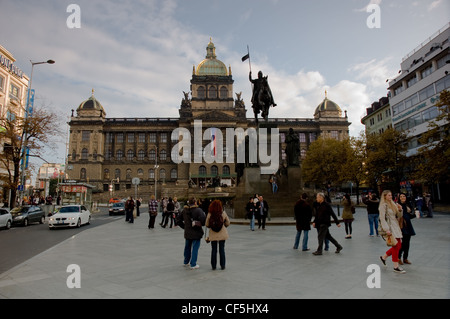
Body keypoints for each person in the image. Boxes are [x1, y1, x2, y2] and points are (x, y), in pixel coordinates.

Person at [378, 190, 405, 274]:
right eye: (389, 195)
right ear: (385, 196)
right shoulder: (383, 206)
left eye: (391, 195)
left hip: (395, 226)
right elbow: (382, 218)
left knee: (398, 245)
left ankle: (384, 257)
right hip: (390, 227)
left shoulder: (393, 204)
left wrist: (400, 210)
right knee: (396, 245)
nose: (391, 197)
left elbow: (398, 215)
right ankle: (395, 266)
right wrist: (387, 229)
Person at [177, 198, 206, 269]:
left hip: (188, 232)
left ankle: (186, 261)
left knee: (187, 247)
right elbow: (203, 221)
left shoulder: (184, 210)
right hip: (196, 232)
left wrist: (184, 226)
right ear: (195, 203)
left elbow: (178, 220)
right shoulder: (198, 210)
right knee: (195, 248)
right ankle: (193, 264)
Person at [205, 200, 231, 270]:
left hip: (213, 234)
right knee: (222, 249)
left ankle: (213, 266)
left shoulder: (210, 214)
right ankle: (222, 265)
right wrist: (224, 224)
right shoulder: (223, 213)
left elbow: (207, 224)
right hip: (222, 234)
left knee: (214, 250)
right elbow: (228, 223)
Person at [398, 193, 416, 265]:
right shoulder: (398, 205)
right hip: (402, 225)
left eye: (404, 196)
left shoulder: (408, 205)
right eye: (401, 197)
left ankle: (405, 258)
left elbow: (409, 216)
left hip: (408, 225)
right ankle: (398, 257)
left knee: (407, 243)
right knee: (404, 243)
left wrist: (414, 214)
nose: (403, 198)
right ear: (399, 198)